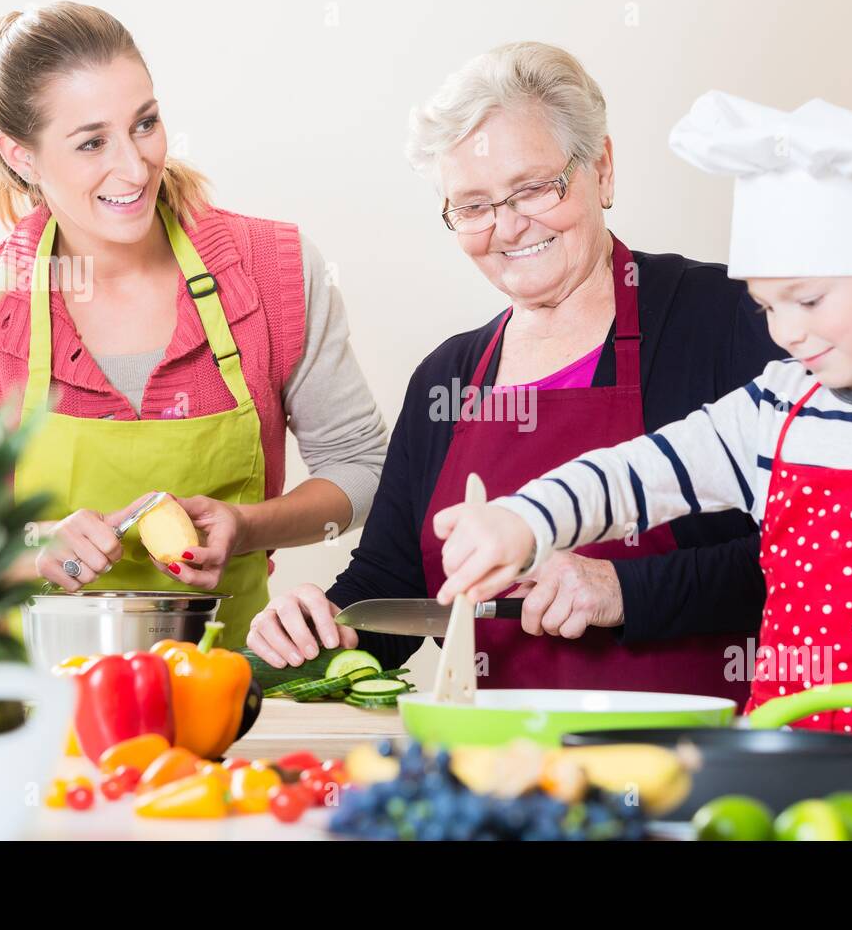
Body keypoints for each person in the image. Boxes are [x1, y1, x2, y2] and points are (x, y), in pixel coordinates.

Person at [432, 92, 852, 816]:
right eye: (769, 306)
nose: (787, 333)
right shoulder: (777, 406)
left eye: (808, 301)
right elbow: (635, 474)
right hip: (774, 776)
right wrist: (526, 521)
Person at [248, 45, 783, 700]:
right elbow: (393, 589)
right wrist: (324, 625)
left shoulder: (729, 319)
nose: (506, 227)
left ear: (602, 169)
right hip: (494, 771)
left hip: (690, 767)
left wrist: (622, 590)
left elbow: (814, 549)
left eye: (532, 187)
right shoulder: (447, 378)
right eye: (472, 205)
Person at [0, 2, 386, 646]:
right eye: (92, 142)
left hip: (229, 686)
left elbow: (362, 467)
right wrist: (32, 548)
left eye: (145, 124)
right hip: (37, 703)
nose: (134, 166)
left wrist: (249, 524)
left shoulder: (274, 269)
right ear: (21, 156)